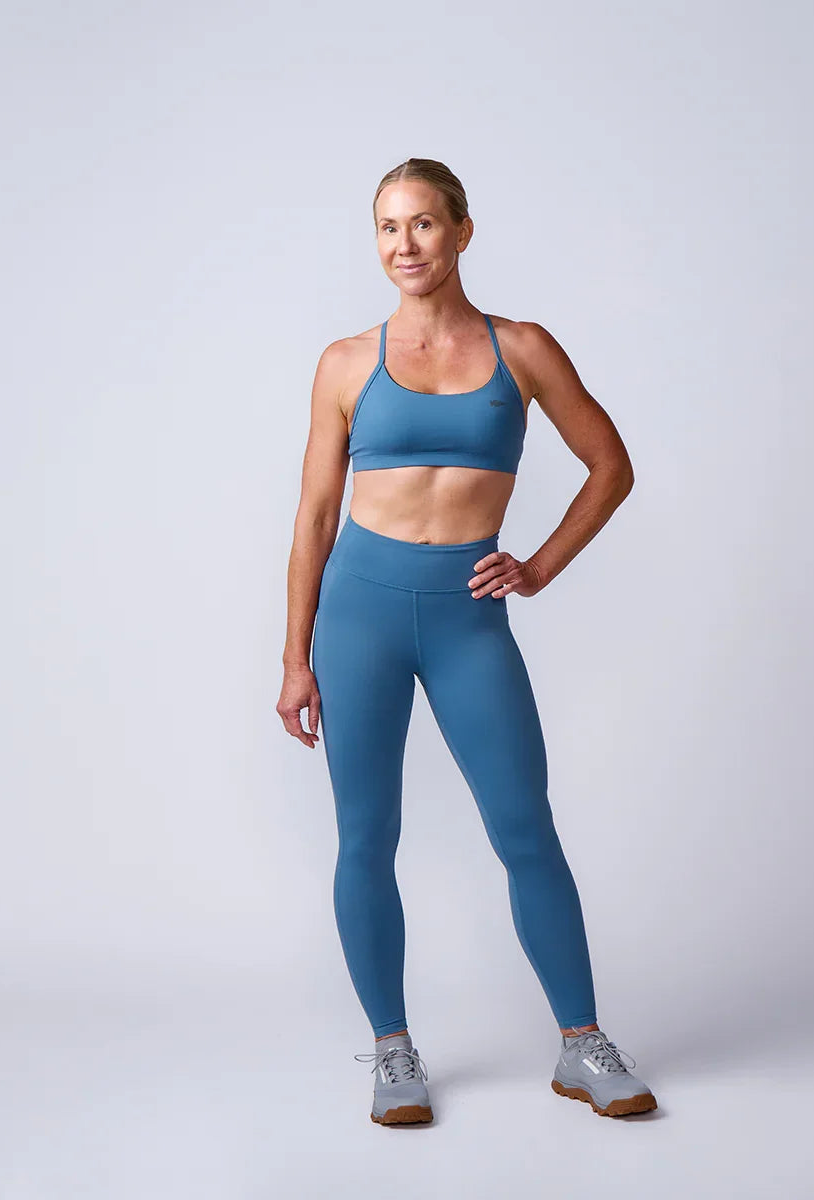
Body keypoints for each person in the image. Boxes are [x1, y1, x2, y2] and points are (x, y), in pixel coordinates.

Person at [277, 157, 657, 1125]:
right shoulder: (346, 362)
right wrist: (293, 657)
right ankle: (394, 1052)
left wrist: (538, 566)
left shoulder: (522, 350)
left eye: (423, 225)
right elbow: (317, 514)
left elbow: (609, 466)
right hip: (358, 613)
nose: (404, 245)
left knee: (524, 826)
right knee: (368, 836)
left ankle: (582, 1043)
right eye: (387, 228)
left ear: (463, 231)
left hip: (466, 619)